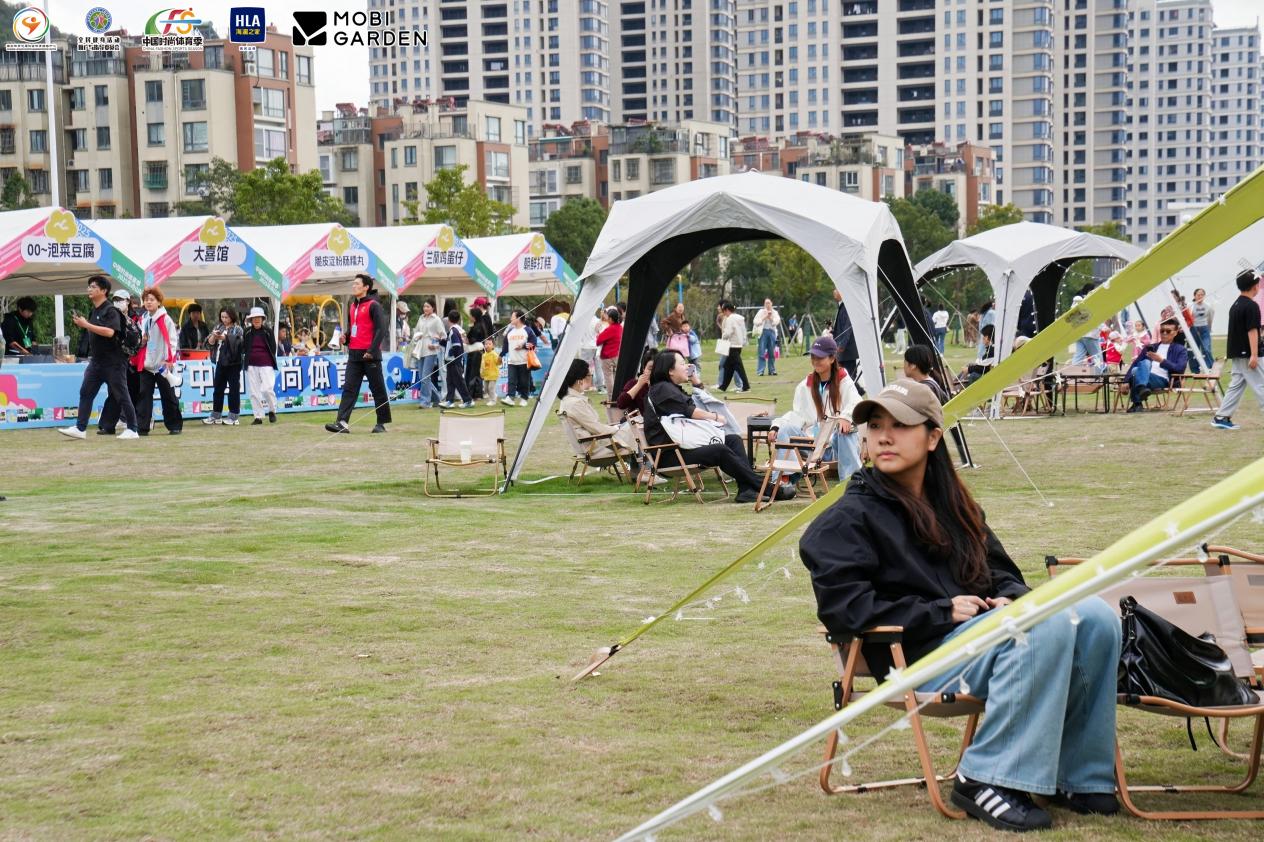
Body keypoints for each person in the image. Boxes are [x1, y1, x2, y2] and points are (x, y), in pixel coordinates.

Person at [800, 380, 1120, 832]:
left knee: (1094, 615)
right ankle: (983, 778)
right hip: (911, 657)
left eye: (900, 425)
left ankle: (1079, 777)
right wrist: (941, 612)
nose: (884, 437)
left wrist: (1008, 596)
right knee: (1036, 627)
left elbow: (1001, 572)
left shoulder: (955, 507)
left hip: (975, 643)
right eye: (875, 426)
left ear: (933, 437)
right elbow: (845, 610)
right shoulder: (845, 521)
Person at [643, 349, 795, 504]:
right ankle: (768, 488)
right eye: (682, 363)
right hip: (670, 455)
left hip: (683, 448)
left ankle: (746, 491)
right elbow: (690, 411)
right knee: (719, 450)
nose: (687, 366)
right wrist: (715, 417)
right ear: (670, 370)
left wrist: (695, 380)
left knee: (733, 440)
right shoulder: (661, 388)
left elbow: (699, 402)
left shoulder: (669, 388)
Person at [766, 335, 862, 484]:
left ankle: (852, 483)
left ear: (832, 358)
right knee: (785, 429)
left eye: (820, 357)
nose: (815, 361)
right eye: (813, 357)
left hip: (834, 447)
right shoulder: (805, 385)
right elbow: (797, 415)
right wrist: (777, 426)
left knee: (845, 430)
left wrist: (846, 417)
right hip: (812, 447)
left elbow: (856, 402)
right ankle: (783, 482)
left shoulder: (843, 380)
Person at [59, 275, 139, 440]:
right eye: (89, 286)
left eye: (93, 287)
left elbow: (110, 332)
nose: (89, 289)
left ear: (104, 291)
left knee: (121, 395)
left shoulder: (110, 310)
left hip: (114, 362)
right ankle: (80, 428)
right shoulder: (94, 310)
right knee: (86, 392)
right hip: (96, 362)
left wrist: (86, 325)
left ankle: (133, 429)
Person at [326, 274, 392, 434]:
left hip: (370, 355)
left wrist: (371, 350)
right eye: (353, 283)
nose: (354, 286)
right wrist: (346, 338)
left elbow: (381, 329)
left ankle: (381, 423)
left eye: (357, 284)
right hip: (354, 354)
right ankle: (342, 423)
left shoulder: (374, 305)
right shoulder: (352, 305)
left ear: (366, 287)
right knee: (349, 388)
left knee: (378, 389)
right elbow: (354, 329)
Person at [903, 344, 973, 467]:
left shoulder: (925, 388)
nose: (903, 365)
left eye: (905, 361)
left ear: (913, 365)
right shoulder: (929, 384)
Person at [1211, 270, 1263, 430]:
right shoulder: (1252, 306)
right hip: (1248, 354)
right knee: (1261, 384)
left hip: (1237, 353)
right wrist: (1254, 354)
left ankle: (1221, 417)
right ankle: (1221, 417)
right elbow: (1252, 331)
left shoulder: (1235, 305)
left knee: (1236, 385)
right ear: (1255, 286)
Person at [558, 358, 638, 461]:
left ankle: (640, 465)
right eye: (589, 375)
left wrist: (616, 427)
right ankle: (643, 466)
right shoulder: (575, 403)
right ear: (579, 380)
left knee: (632, 425)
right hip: (596, 449)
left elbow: (594, 427)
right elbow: (596, 428)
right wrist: (616, 428)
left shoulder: (568, 400)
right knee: (636, 427)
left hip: (593, 445)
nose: (591, 378)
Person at [135, 287, 182, 435]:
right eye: (146, 300)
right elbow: (141, 341)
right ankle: (142, 427)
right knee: (143, 396)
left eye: (152, 300)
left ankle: (174, 425)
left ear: (159, 302)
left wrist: (169, 360)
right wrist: (142, 341)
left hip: (163, 365)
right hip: (148, 364)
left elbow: (173, 341)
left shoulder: (165, 319)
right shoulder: (144, 319)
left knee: (168, 395)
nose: (148, 302)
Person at [97, 290, 143, 436]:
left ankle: (136, 424)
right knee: (114, 392)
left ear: (128, 301)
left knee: (132, 392)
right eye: (115, 299)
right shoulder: (109, 316)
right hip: (114, 360)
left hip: (133, 361)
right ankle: (107, 425)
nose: (118, 302)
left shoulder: (136, 318)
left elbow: (140, 339)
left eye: (121, 299)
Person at [1124, 318, 1187, 412]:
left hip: (1162, 379)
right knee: (1140, 366)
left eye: (1168, 331)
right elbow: (1135, 363)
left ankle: (1137, 403)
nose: (1164, 333)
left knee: (1138, 370)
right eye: (1162, 331)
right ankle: (1142, 390)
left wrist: (1162, 361)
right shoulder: (1151, 347)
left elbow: (1180, 368)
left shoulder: (1180, 349)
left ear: (1175, 333)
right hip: (1145, 377)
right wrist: (1125, 381)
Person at [203, 306, 244, 425]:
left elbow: (240, 344)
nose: (224, 319)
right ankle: (216, 415)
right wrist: (214, 336)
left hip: (233, 363)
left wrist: (225, 338)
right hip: (220, 362)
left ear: (232, 317)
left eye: (226, 317)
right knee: (218, 389)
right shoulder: (218, 327)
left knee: (233, 390)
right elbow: (208, 344)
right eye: (222, 317)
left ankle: (233, 416)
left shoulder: (238, 329)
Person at [241, 307, 278, 426]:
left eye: (259, 318)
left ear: (262, 319)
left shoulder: (268, 331)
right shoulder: (247, 332)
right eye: (254, 318)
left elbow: (273, 348)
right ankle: (258, 416)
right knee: (254, 392)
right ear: (251, 320)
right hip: (251, 364)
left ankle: (272, 410)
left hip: (266, 363)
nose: (256, 320)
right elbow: (244, 348)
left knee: (267, 389)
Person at [410, 299, 445, 409]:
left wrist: (436, 344)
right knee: (423, 378)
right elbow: (416, 331)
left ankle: (425, 401)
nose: (425, 308)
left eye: (428, 306)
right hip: (420, 349)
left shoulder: (436, 319)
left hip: (431, 350)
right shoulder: (421, 318)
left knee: (425, 377)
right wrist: (417, 336)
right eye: (424, 306)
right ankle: (437, 398)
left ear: (433, 308)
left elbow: (443, 336)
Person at [439, 310, 474, 408]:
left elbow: (457, 346)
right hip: (451, 361)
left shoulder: (453, 331)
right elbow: (449, 344)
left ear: (448, 320)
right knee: (450, 381)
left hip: (454, 361)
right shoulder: (454, 330)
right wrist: (441, 341)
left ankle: (468, 400)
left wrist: (451, 355)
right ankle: (449, 401)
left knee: (459, 381)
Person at [717, 300, 750, 392]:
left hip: (732, 345)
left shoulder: (730, 319)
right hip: (739, 345)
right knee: (728, 366)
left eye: (724, 311)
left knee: (739, 367)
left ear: (727, 310)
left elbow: (728, 332)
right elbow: (744, 331)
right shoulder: (740, 318)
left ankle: (746, 386)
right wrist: (744, 341)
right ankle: (723, 386)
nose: (724, 314)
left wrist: (723, 336)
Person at [830, 288, 862, 384]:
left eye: (836, 289)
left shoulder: (847, 306)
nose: (834, 291)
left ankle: (857, 391)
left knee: (849, 377)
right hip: (842, 349)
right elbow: (842, 327)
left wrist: (842, 345)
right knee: (841, 376)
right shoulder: (841, 306)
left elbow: (848, 328)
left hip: (847, 349)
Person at [502, 308, 533, 406]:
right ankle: (510, 397)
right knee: (511, 381)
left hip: (524, 361)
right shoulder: (510, 331)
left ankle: (524, 398)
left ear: (519, 318)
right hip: (512, 361)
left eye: (512, 317)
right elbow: (505, 346)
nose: (510, 319)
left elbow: (533, 345)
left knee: (524, 382)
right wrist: (500, 355)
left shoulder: (528, 330)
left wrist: (523, 346)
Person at [616, 347, 659, 417]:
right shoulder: (633, 383)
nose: (653, 372)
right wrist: (639, 385)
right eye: (650, 369)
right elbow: (621, 404)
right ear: (644, 368)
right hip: (636, 422)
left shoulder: (665, 385)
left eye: (657, 368)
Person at [465, 305, 490, 400]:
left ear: (474, 316)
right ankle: (477, 394)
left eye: (471, 315)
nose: (470, 317)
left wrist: (467, 340)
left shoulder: (477, 326)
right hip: (477, 351)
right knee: (477, 373)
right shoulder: (479, 325)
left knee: (473, 373)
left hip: (475, 352)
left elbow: (473, 339)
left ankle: (473, 394)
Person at [594, 306, 623, 392]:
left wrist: (599, 334)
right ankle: (616, 395)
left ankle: (611, 397)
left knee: (608, 378)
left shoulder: (610, 329)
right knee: (614, 377)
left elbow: (598, 341)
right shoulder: (620, 327)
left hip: (608, 356)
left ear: (611, 319)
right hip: (616, 355)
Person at [752, 298, 781, 376]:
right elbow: (755, 322)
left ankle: (772, 370)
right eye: (766, 303)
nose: (767, 305)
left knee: (772, 352)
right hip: (763, 332)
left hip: (772, 332)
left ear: (771, 303)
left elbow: (776, 322)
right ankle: (760, 371)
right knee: (761, 352)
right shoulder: (761, 312)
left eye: (769, 303)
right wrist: (764, 317)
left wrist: (770, 317)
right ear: (764, 304)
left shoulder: (775, 312)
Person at [579, 307, 605, 393]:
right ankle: (600, 387)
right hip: (596, 346)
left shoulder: (583, 321)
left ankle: (581, 387)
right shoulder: (597, 321)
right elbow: (601, 333)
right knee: (598, 367)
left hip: (586, 346)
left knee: (583, 367)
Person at [1190, 287, 1215, 372]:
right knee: (1194, 349)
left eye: (1202, 295)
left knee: (1206, 348)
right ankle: (1195, 369)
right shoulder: (1190, 305)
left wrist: (1209, 328)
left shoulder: (1208, 306)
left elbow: (1210, 318)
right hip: (1194, 329)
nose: (1200, 296)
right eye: (1198, 295)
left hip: (1204, 329)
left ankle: (1210, 367)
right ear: (1194, 296)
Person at [480, 338, 502, 406]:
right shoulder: (484, 355)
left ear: (493, 346)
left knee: (491, 388)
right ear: (484, 345)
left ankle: (493, 401)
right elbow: (482, 365)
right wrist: (481, 373)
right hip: (486, 375)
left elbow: (498, 363)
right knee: (486, 389)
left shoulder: (494, 354)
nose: (488, 345)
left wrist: (500, 360)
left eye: (489, 344)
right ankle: (494, 396)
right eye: (486, 344)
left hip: (493, 375)